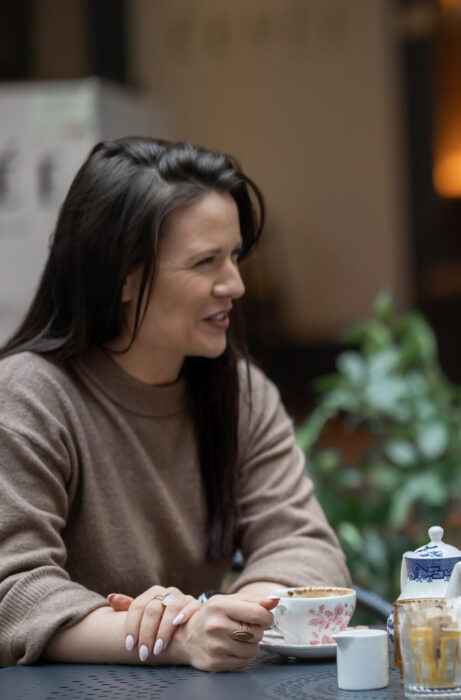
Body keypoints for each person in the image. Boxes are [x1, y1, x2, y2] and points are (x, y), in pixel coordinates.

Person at [0, 137, 350, 671]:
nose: (234, 284)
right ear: (122, 277)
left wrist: (226, 617)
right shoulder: (27, 396)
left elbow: (304, 546)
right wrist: (172, 636)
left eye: (234, 256)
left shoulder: (241, 392)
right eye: (206, 261)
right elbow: (13, 591)